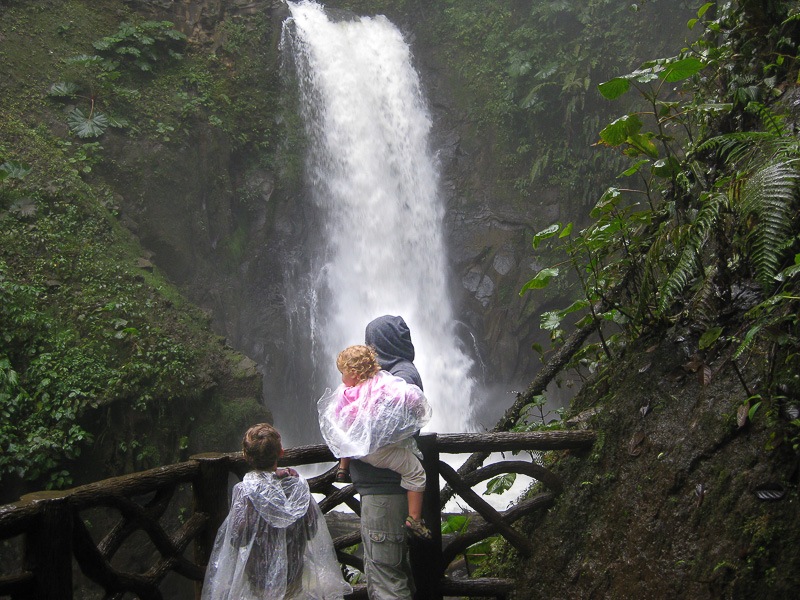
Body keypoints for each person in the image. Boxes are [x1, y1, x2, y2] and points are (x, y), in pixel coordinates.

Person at [200, 423, 351, 600]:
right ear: (281, 452)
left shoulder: (244, 491)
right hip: (293, 573)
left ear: (245, 455)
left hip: (258, 576)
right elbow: (311, 529)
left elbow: (236, 536)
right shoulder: (297, 486)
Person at [317, 344, 433, 540]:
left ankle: (342, 467)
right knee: (415, 472)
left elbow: (337, 423)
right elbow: (410, 397)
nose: (341, 378)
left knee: (345, 433)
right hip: (379, 451)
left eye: (342, 373)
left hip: (356, 449)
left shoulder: (344, 393)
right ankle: (414, 518)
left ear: (353, 373)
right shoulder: (382, 385)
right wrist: (419, 413)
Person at [355, 315, 426, 600]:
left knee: (386, 581)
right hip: (387, 489)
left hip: (386, 490)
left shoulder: (402, 376)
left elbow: (388, 426)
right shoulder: (397, 373)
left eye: (371, 343)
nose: (368, 350)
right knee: (392, 572)